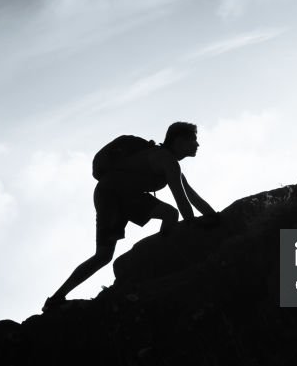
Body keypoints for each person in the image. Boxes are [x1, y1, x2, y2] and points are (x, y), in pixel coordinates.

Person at [43, 121, 216, 312]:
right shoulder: (166, 160)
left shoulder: (169, 162)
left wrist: (214, 216)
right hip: (113, 194)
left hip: (112, 194)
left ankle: (55, 299)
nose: (197, 145)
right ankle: (159, 264)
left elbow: (192, 197)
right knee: (169, 214)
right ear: (180, 140)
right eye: (194, 140)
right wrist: (192, 225)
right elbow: (181, 199)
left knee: (103, 256)